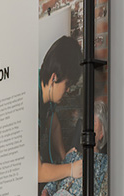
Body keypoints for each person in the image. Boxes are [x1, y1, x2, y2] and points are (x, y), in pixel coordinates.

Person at [38, 35, 83, 185]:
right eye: (67, 84)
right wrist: (70, 169)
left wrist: (65, 157)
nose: (69, 90)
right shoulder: (29, 105)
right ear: (54, 78)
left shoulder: (45, 90)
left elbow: (54, 123)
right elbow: (37, 172)